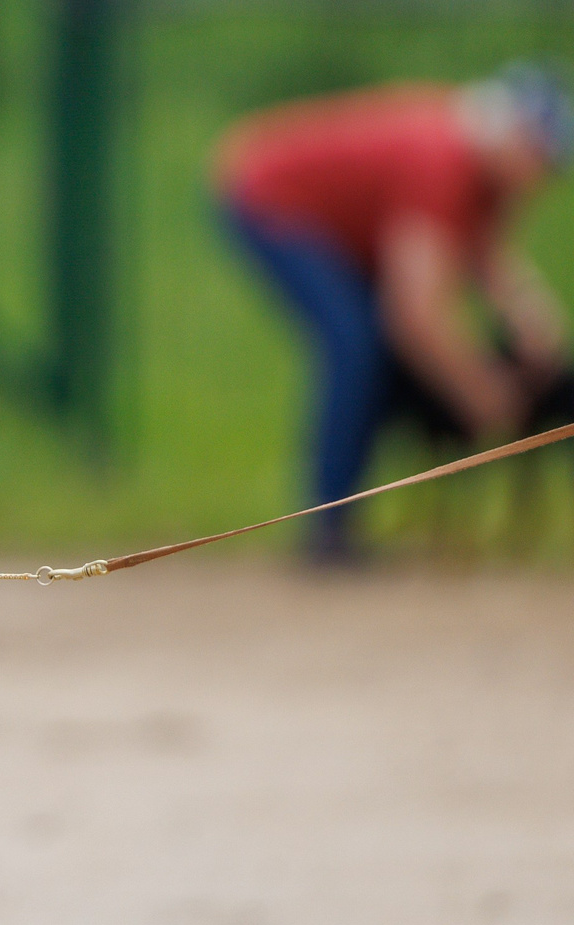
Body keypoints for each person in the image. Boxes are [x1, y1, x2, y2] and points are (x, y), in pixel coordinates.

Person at [216, 63, 572, 560]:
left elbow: (487, 255)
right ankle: (327, 530)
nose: (543, 176)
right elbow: (414, 317)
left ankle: (337, 524)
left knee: (369, 346)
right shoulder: (442, 163)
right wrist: (480, 392)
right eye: (541, 156)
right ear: (510, 137)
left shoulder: (481, 168)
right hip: (268, 196)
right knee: (356, 347)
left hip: (331, 216)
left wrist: (534, 326)